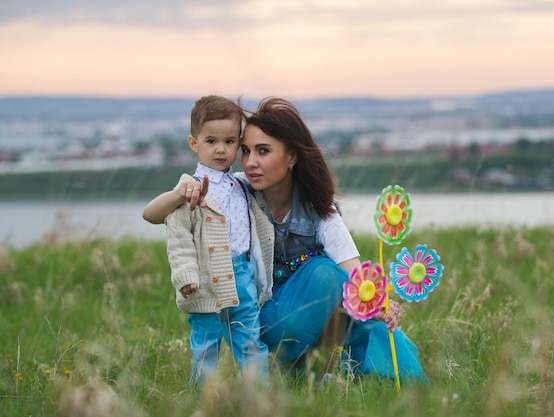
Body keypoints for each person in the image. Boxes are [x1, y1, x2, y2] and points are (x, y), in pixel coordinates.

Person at [143, 97, 429, 385]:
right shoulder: (236, 190)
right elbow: (154, 214)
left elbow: (351, 268)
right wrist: (181, 192)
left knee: (328, 276)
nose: (251, 162)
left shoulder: (318, 209)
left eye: (263, 151)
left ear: (291, 157)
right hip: (261, 313)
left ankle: (322, 368)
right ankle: (291, 367)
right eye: (245, 150)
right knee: (321, 276)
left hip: (309, 316)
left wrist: (378, 301)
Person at [144, 95, 274, 386]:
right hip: (203, 281)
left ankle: (260, 399)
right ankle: (205, 399)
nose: (220, 149)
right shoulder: (188, 190)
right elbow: (178, 240)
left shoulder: (241, 184)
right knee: (206, 344)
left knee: (250, 341)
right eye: (211, 141)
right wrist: (186, 276)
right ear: (194, 143)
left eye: (229, 142)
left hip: (242, 275)